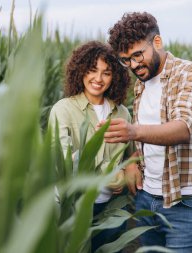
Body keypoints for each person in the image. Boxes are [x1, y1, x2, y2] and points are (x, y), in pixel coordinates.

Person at [103, 12, 192, 252]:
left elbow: (183, 128)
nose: (134, 65)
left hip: (186, 202)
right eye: (126, 60)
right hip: (147, 199)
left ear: (157, 42)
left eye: (138, 55)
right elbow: (148, 134)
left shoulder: (189, 74)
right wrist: (134, 161)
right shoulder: (141, 85)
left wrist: (132, 132)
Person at [48, 41, 132, 252]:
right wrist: (110, 174)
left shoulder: (122, 113)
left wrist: (124, 171)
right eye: (92, 70)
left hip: (111, 207)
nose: (98, 79)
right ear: (81, 70)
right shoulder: (63, 110)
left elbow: (128, 157)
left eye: (106, 73)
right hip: (73, 206)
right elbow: (62, 160)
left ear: (115, 77)